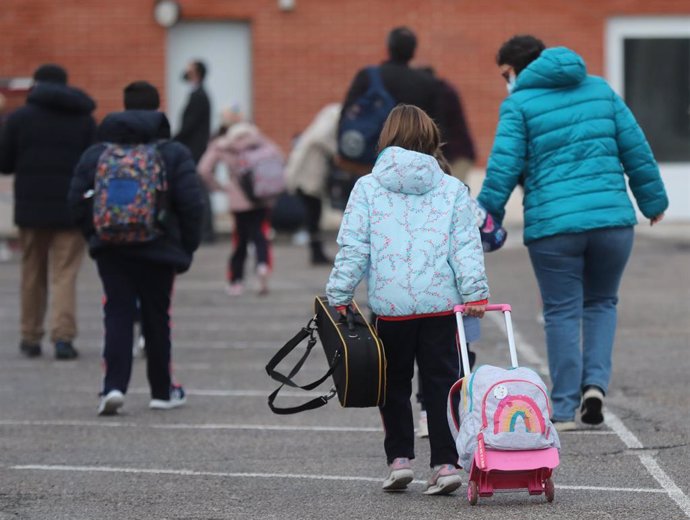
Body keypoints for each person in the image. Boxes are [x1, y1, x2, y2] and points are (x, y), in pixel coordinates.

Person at [478, 35, 668, 432]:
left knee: (562, 310)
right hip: (613, 222)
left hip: (554, 227)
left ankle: (564, 406)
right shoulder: (599, 89)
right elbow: (635, 147)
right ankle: (595, 387)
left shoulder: (519, 104)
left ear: (517, 69)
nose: (505, 82)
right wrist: (653, 202)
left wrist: (484, 218)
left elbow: (503, 168)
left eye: (505, 74)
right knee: (601, 304)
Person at [326, 104, 490, 495]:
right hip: (440, 306)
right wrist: (475, 292)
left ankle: (399, 459)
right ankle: (446, 464)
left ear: (387, 138)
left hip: (391, 308)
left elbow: (354, 247)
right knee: (442, 384)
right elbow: (465, 247)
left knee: (392, 383)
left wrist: (339, 293)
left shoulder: (367, 187)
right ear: (432, 138)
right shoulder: (452, 187)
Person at [69, 81, 204, 415]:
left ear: (124, 106)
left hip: (111, 248)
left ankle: (112, 387)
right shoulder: (172, 153)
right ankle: (162, 390)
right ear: (158, 108)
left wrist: (95, 237)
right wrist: (185, 248)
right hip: (159, 248)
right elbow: (192, 204)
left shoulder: (97, 153)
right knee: (157, 318)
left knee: (116, 313)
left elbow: (75, 200)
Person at [0, 64, 96, 360]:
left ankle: (30, 337)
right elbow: (94, 163)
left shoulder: (19, 118)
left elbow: (4, 163)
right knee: (64, 273)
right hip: (70, 207)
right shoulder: (84, 119)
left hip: (31, 207)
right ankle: (63, 338)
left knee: (32, 273)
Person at [197, 122, 282, 296]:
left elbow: (203, 169)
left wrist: (219, 187)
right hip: (262, 196)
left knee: (240, 240)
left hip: (238, 199)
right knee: (260, 234)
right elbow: (280, 158)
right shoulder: (259, 140)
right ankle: (263, 265)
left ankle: (236, 281)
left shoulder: (222, 145)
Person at [338, 26, 438, 174]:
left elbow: (345, 114)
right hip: (408, 168)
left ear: (389, 47)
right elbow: (436, 126)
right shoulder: (427, 83)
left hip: (363, 161)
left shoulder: (367, 76)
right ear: (413, 51)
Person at [285, 103, 341, 265]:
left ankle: (317, 251)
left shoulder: (319, 125)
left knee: (314, 214)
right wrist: (336, 151)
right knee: (313, 214)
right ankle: (316, 252)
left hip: (308, 176)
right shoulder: (328, 124)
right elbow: (321, 138)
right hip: (308, 177)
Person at [175, 60, 214, 243]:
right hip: (195, 149)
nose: (185, 71)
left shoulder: (199, 95)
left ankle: (205, 231)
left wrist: (174, 139)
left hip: (195, 150)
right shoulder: (196, 93)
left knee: (200, 190)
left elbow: (189, 125)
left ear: (196, 72)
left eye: (189, 68)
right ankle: (205, 230)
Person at [420, 67, 477, 182]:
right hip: (457, 153)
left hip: (456, 155)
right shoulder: (445, 90)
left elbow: (441, 127)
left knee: (453, 194)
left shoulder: (441, 94)